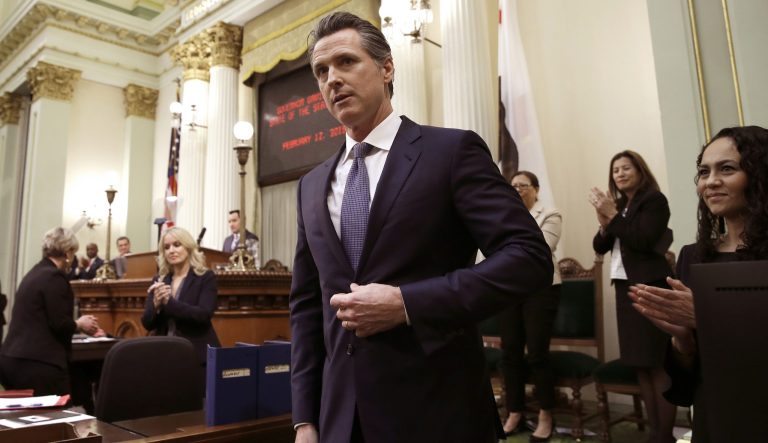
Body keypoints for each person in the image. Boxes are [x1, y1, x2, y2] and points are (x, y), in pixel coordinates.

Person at [290, 12, 553, 443]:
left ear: (387, 67)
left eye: (346, 62)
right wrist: (305, 418)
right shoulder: (311, 185)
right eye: (322, 71)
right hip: (341, 420)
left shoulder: (449, 152)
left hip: (438, 409)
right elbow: (306, 308)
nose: (332, 79)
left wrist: (407, 302)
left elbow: (529, 258)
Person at [629, 126, 768, 442]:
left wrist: (707, 317)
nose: (711, 181)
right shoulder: (693, 257)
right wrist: (682, 343)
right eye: (704, 172)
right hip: (714, 416)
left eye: (727, 169)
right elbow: (685, 385)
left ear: (760, 175)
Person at [589, 150, 677, 443]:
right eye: (615, 170)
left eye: (626, 168)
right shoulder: (622, 207)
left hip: (650, 286)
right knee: (640, 362)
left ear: (640, 170)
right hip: (625, 288)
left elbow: (642, 239)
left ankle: (663, 435)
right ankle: (654, 433)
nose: (620, 174)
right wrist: (605, 221)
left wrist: (613, 215)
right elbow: (600, 247)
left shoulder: (654, 201)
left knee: (658, 361)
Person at [0, 227, 99, 395]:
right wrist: (80, 324)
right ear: (68, 253)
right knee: (55, 419)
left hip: (13, 360)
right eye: (73, 253)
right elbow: (59, 323)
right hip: (38, 364)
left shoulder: (34, 273)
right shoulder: (54, 277)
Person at [501, 171, 562, 442]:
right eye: (512, 186)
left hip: (541, 287)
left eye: (522, 186)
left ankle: (546, 413)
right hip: (511, 288)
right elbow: (495, 249)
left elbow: (541, 247)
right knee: (510, 351)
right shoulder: (503, 215)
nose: (516, 190)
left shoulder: (550, 214)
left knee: (537, 353)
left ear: (536, 190)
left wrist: (509, 249)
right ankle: (515, 411)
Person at [142, 227, 220, 386]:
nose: (171, 250)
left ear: (188, 247)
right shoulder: (160, 279)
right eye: (167, 247)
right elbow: (147, 322)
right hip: (165, 353)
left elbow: (203, 315)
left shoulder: (205, 277)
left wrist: (168, 303)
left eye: (177, 245)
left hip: (196, 354)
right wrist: (156, 306)